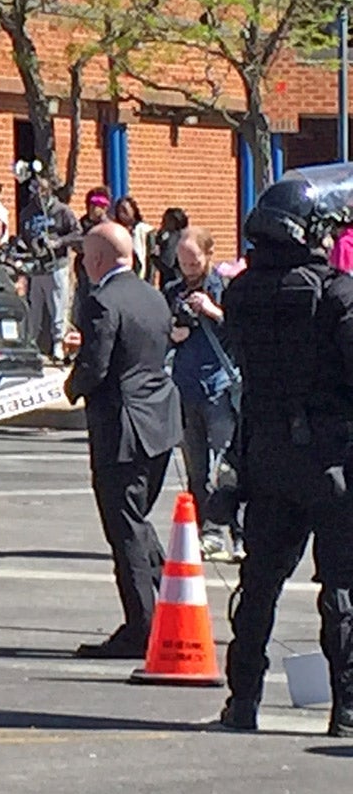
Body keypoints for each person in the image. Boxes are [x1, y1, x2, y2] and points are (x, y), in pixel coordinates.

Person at [217, 165, 353, 733]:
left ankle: (242, 698)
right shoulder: (335, 291)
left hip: (267, 454)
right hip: (330, 457)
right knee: (341, 586)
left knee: (260, 582)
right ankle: (347, 707)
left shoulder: (242, 292)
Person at [63, 221, 184, 659]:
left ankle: (141, 626)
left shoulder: (100, 300)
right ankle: (167, 596)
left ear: (94, 261)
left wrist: (71, 385)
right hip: (159, 423)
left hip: (123, 429)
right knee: (135, 517)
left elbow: (97, 366)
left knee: (124, 528)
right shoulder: (153, 295)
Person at [165, 228, 240, 562]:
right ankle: (208, 532)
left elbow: (239, 332)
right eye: (182, 262)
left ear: (208, 255)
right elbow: (162, 333)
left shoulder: (223, 288)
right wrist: (173, 332)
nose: (188, 267)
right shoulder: (172, 290)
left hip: (219, 386)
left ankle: (239, 533)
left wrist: (212, 311)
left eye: (193, 261)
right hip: (187, 386)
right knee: (196, 467)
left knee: (228, 465)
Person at [17, 174, 78, 361]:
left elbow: (77, 233)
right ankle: (32, 343)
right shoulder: (27, 213)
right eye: (35, 190)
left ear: (50, 190)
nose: (39, 194)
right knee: (35, 307)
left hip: (57, 265)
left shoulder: (62, 211)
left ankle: (58, 343)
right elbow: (23, 236)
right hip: (37, 267)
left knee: (57, 306)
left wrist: (59, 242)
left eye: (42, 190)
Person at [112, 195, 153, 280]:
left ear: (133, 210)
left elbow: (150, 259)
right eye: (119, 211)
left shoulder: (145, 230)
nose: (122, 214)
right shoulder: (114, 231)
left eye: (124, 210)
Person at [150, 207, 191, 290]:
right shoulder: (185, 236)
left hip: (173, 281)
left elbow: (167, 263)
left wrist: (154, 257)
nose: (163, 223)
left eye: (166, 220)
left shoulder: (172, 237)